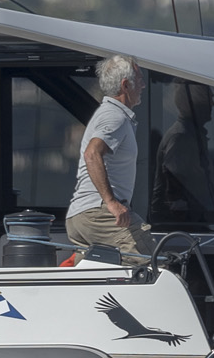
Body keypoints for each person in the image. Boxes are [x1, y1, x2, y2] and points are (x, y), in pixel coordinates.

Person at [65, 54, 152, 261]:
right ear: (126, 85)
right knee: (152, 264)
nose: (143, 86)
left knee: (94, 277)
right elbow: (92, 153)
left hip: (82, 216)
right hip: (99, 213)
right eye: (139, 80)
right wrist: (111, 202)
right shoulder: (115, 116)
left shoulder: (109, 114)